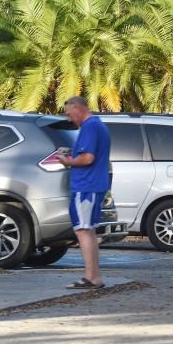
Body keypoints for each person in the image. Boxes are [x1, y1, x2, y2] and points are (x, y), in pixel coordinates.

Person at [57, 96, 111, 289]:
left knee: (82, 230)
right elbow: (88, 152)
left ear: (79, 108)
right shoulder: (97, 125)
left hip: (85, 186)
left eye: (69, 114)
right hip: (94, 185)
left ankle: (91, 277)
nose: (69, 119)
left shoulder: (89, 127)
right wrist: (72, 150)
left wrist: (67, 161)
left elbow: (87, 158)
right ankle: (94, 276)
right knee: (88, 230)